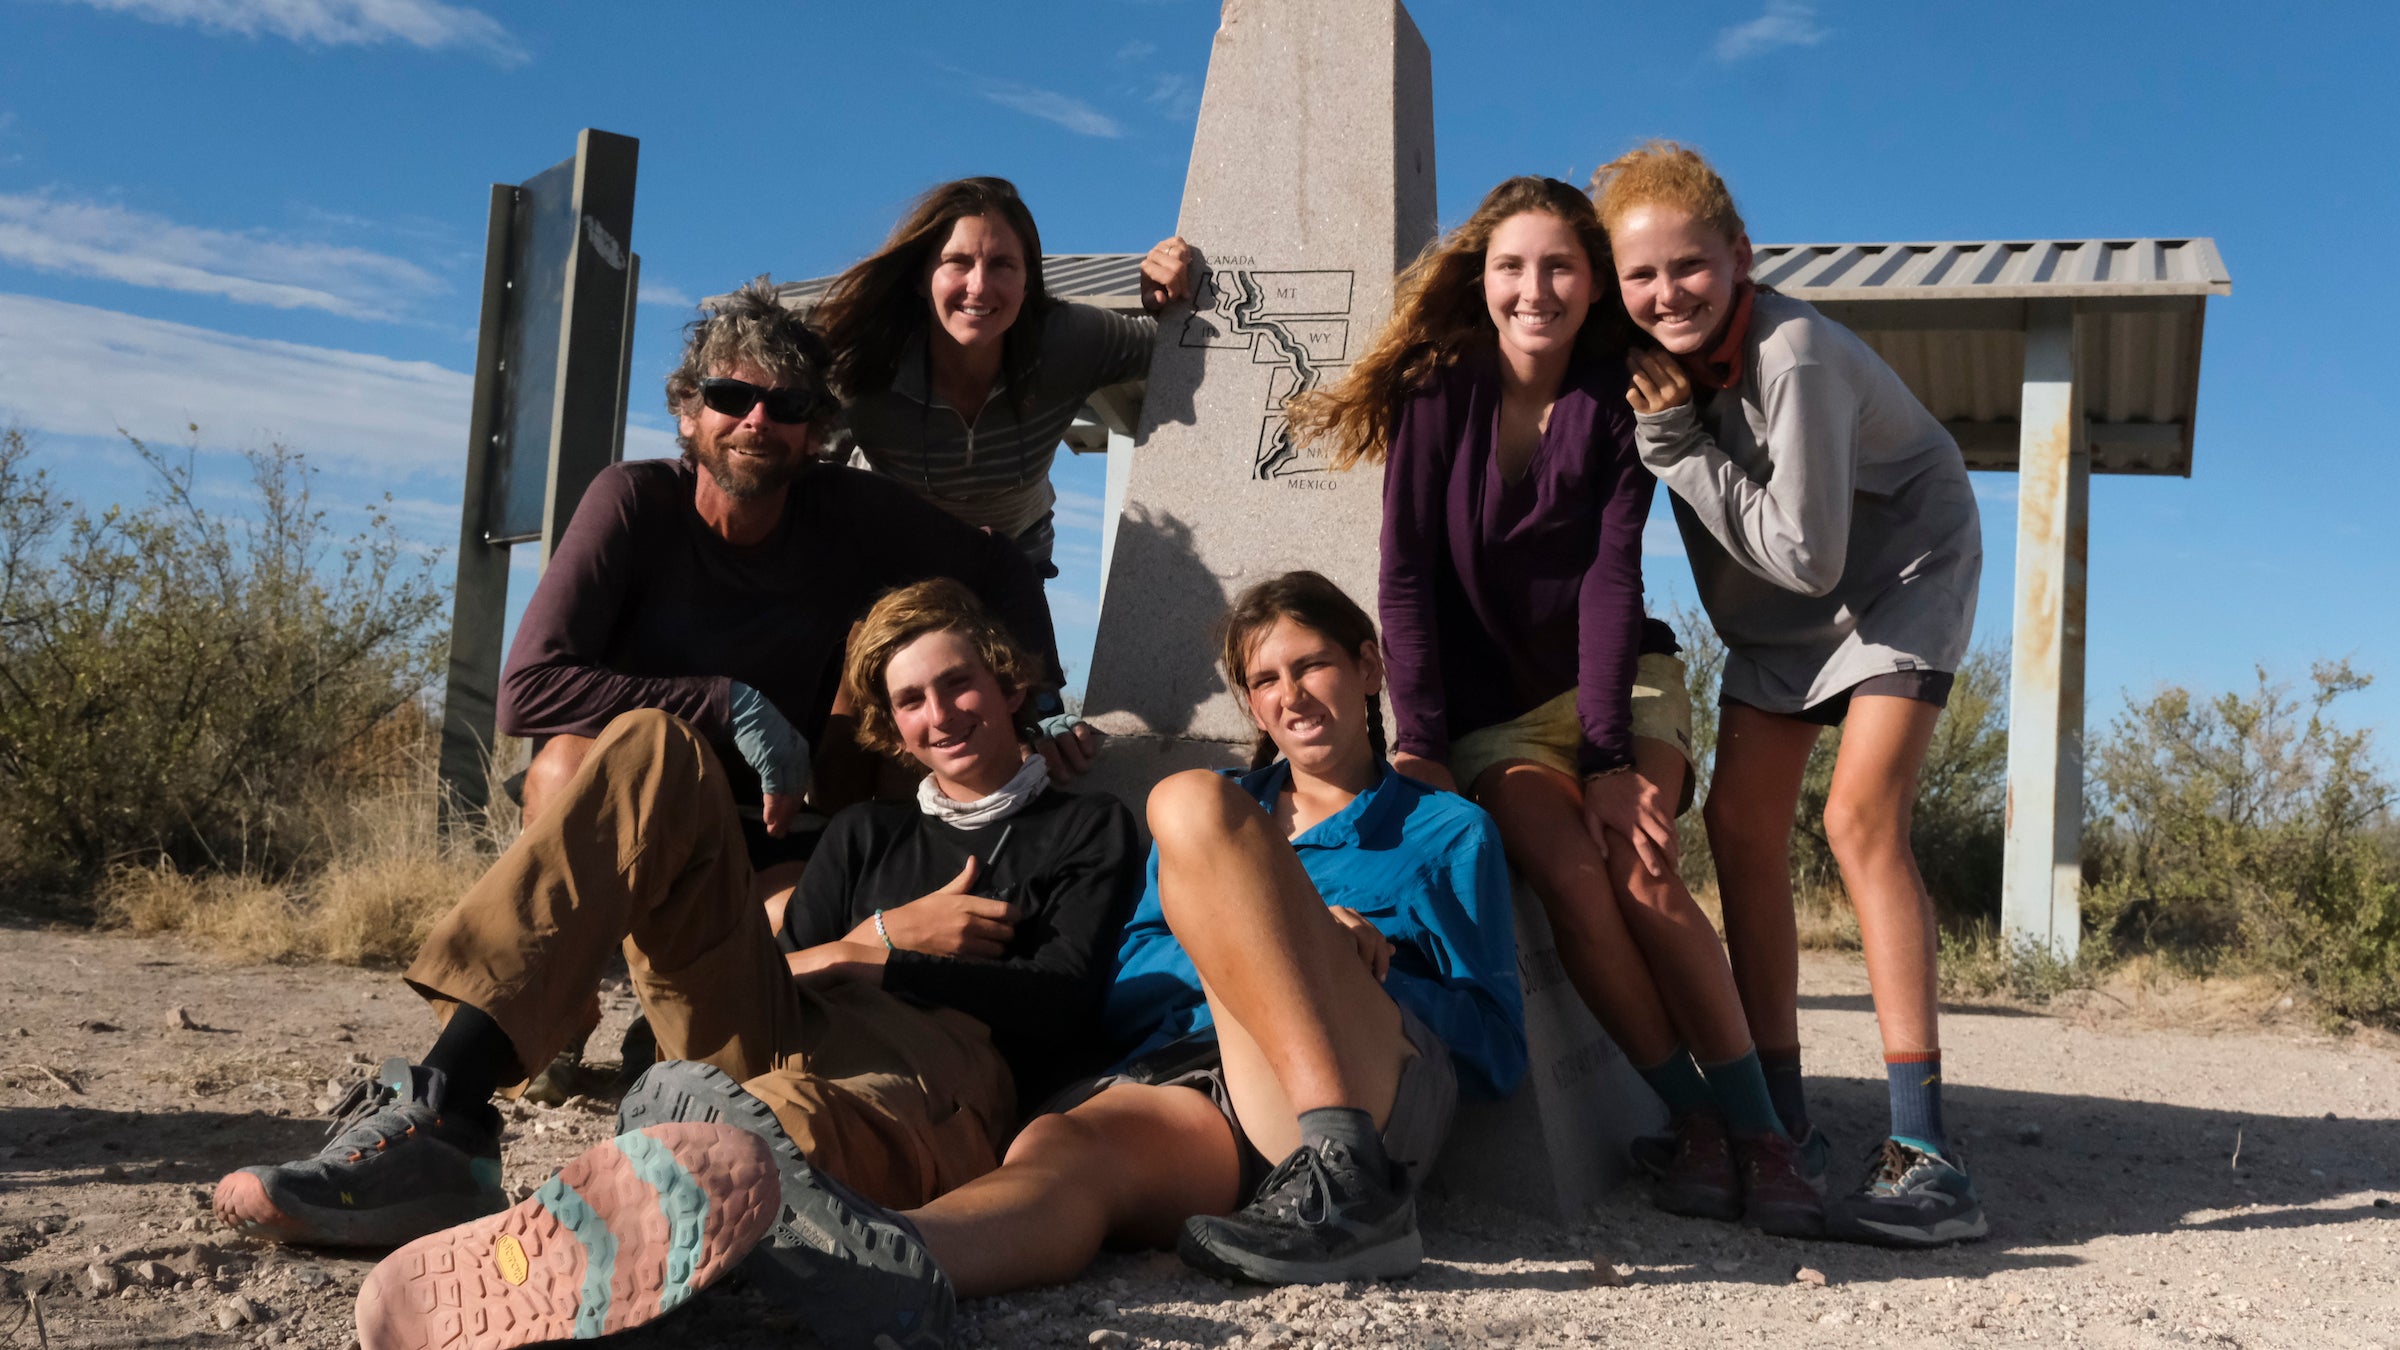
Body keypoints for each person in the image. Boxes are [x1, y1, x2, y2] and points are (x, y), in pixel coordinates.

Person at [356, 572, 1525, 1350]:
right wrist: (864, 948)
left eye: (1313, 666)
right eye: (1264, 680)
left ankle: (1348, 1187)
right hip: (1196, 1078)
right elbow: (1121, 999)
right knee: (1064, 1159)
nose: (1290, 696)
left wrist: (1368, 959)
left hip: (1351, 1086)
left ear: (1368, 667)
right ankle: (847, 1262)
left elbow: (1492, 1041)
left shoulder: (1433, 829)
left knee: (1191, 806)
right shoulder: (900, 835)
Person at [218, 581, 1141, 1262]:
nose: (939, 714)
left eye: (959, 685)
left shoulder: (1086, 825)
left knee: (771, 1125)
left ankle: (662, 1192)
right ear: (891, 728)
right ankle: (446, 1116)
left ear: (1012, 685)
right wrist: (886, 942)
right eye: (911, 700)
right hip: (786, 1024)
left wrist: (889, 969)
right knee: (651, 743)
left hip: (934, 1064)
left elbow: (1061, 1009)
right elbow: (788, 971)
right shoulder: (867, 834)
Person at [1284, 176, 1820, 1236]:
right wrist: (1425, 745)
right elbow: (1406, 581)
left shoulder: (1616, 398)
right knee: (1574, 876)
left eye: (1561, 267)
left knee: (1641, 866)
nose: (1537, 289)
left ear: (1593, 285)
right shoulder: (1437, 395)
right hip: (1497, 720)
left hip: (1619, 683)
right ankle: (1697, 1123)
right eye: (1514, 267)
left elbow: (1615, 578)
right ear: (1481, 281)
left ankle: (1766, 1138)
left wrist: (1613, 758)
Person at [1595, 141, 1986, 1246]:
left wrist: (1672, 443)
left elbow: (1811, 555)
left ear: (1741, 259)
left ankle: (1929, 1154)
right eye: (1642, 276)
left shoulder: (1796, 354)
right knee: (1737, 826)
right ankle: (1782, 1125)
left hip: (1896, 577)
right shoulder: (1636, 349)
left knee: (1860, 819)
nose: (1667, 292)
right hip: (1776, 620)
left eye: (1691, 268)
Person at [814, 176, 1197, 780]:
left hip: (1009, 572)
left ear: (1028, 279)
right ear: (920, 277)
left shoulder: (1068, 340)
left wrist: (1171, 295)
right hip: (888, 580)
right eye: (957, 262)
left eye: (1002, 265)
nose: (979, 286)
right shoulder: (863, 361)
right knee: (852, 758)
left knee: (1030, 755)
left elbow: (1185, 348)